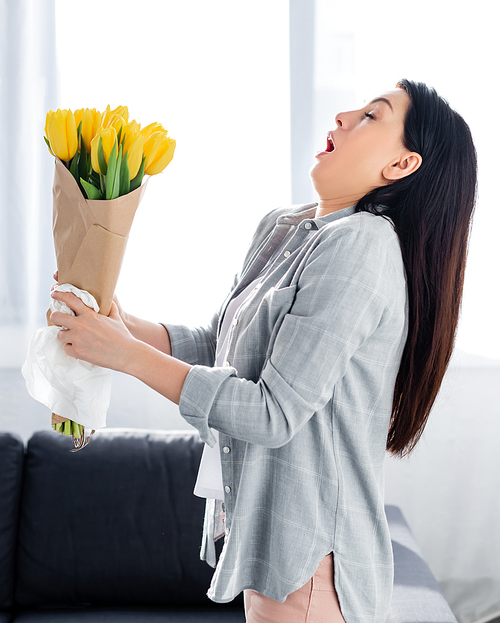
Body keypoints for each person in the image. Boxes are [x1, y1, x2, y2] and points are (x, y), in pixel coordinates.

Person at [50, 80, 477, 623]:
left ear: (401, 164)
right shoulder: (285, 227)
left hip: (314, 564)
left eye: (372, 116)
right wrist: (115, 324)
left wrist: (125, 354)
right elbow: (215, 347)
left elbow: (273, 413)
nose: (344, 115)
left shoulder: (362, 245)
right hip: (275, 551)